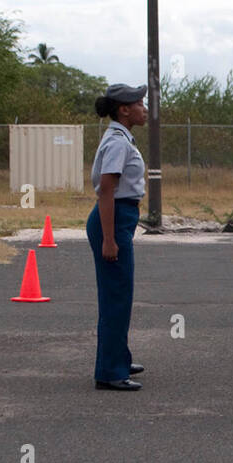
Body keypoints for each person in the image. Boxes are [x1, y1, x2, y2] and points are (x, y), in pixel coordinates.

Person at [87, 83, 149, 391]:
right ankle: (110, 372)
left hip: (120, 216)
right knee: (115, 296)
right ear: (124, 109)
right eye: (139, 103)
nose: (144, 108)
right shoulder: (117, 143)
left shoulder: (121, 138)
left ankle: (118, 359)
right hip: (113, 217)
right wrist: (109, 240)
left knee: (120, 295)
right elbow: (107, 192)